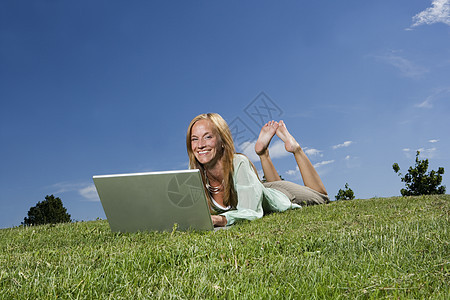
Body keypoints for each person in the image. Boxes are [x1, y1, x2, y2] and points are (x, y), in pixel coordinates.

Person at [186, 113, 329, 227]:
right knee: (263, 192)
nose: (200, 145)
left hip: (280, 194)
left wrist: (221, 219)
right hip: (254, 189)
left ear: (222, 140)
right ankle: (263, 153)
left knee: (321, 197)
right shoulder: (194, 174)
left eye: (208, 137)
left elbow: (251, 212)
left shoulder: (238, 163)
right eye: (194, 139)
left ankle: (294, 148)